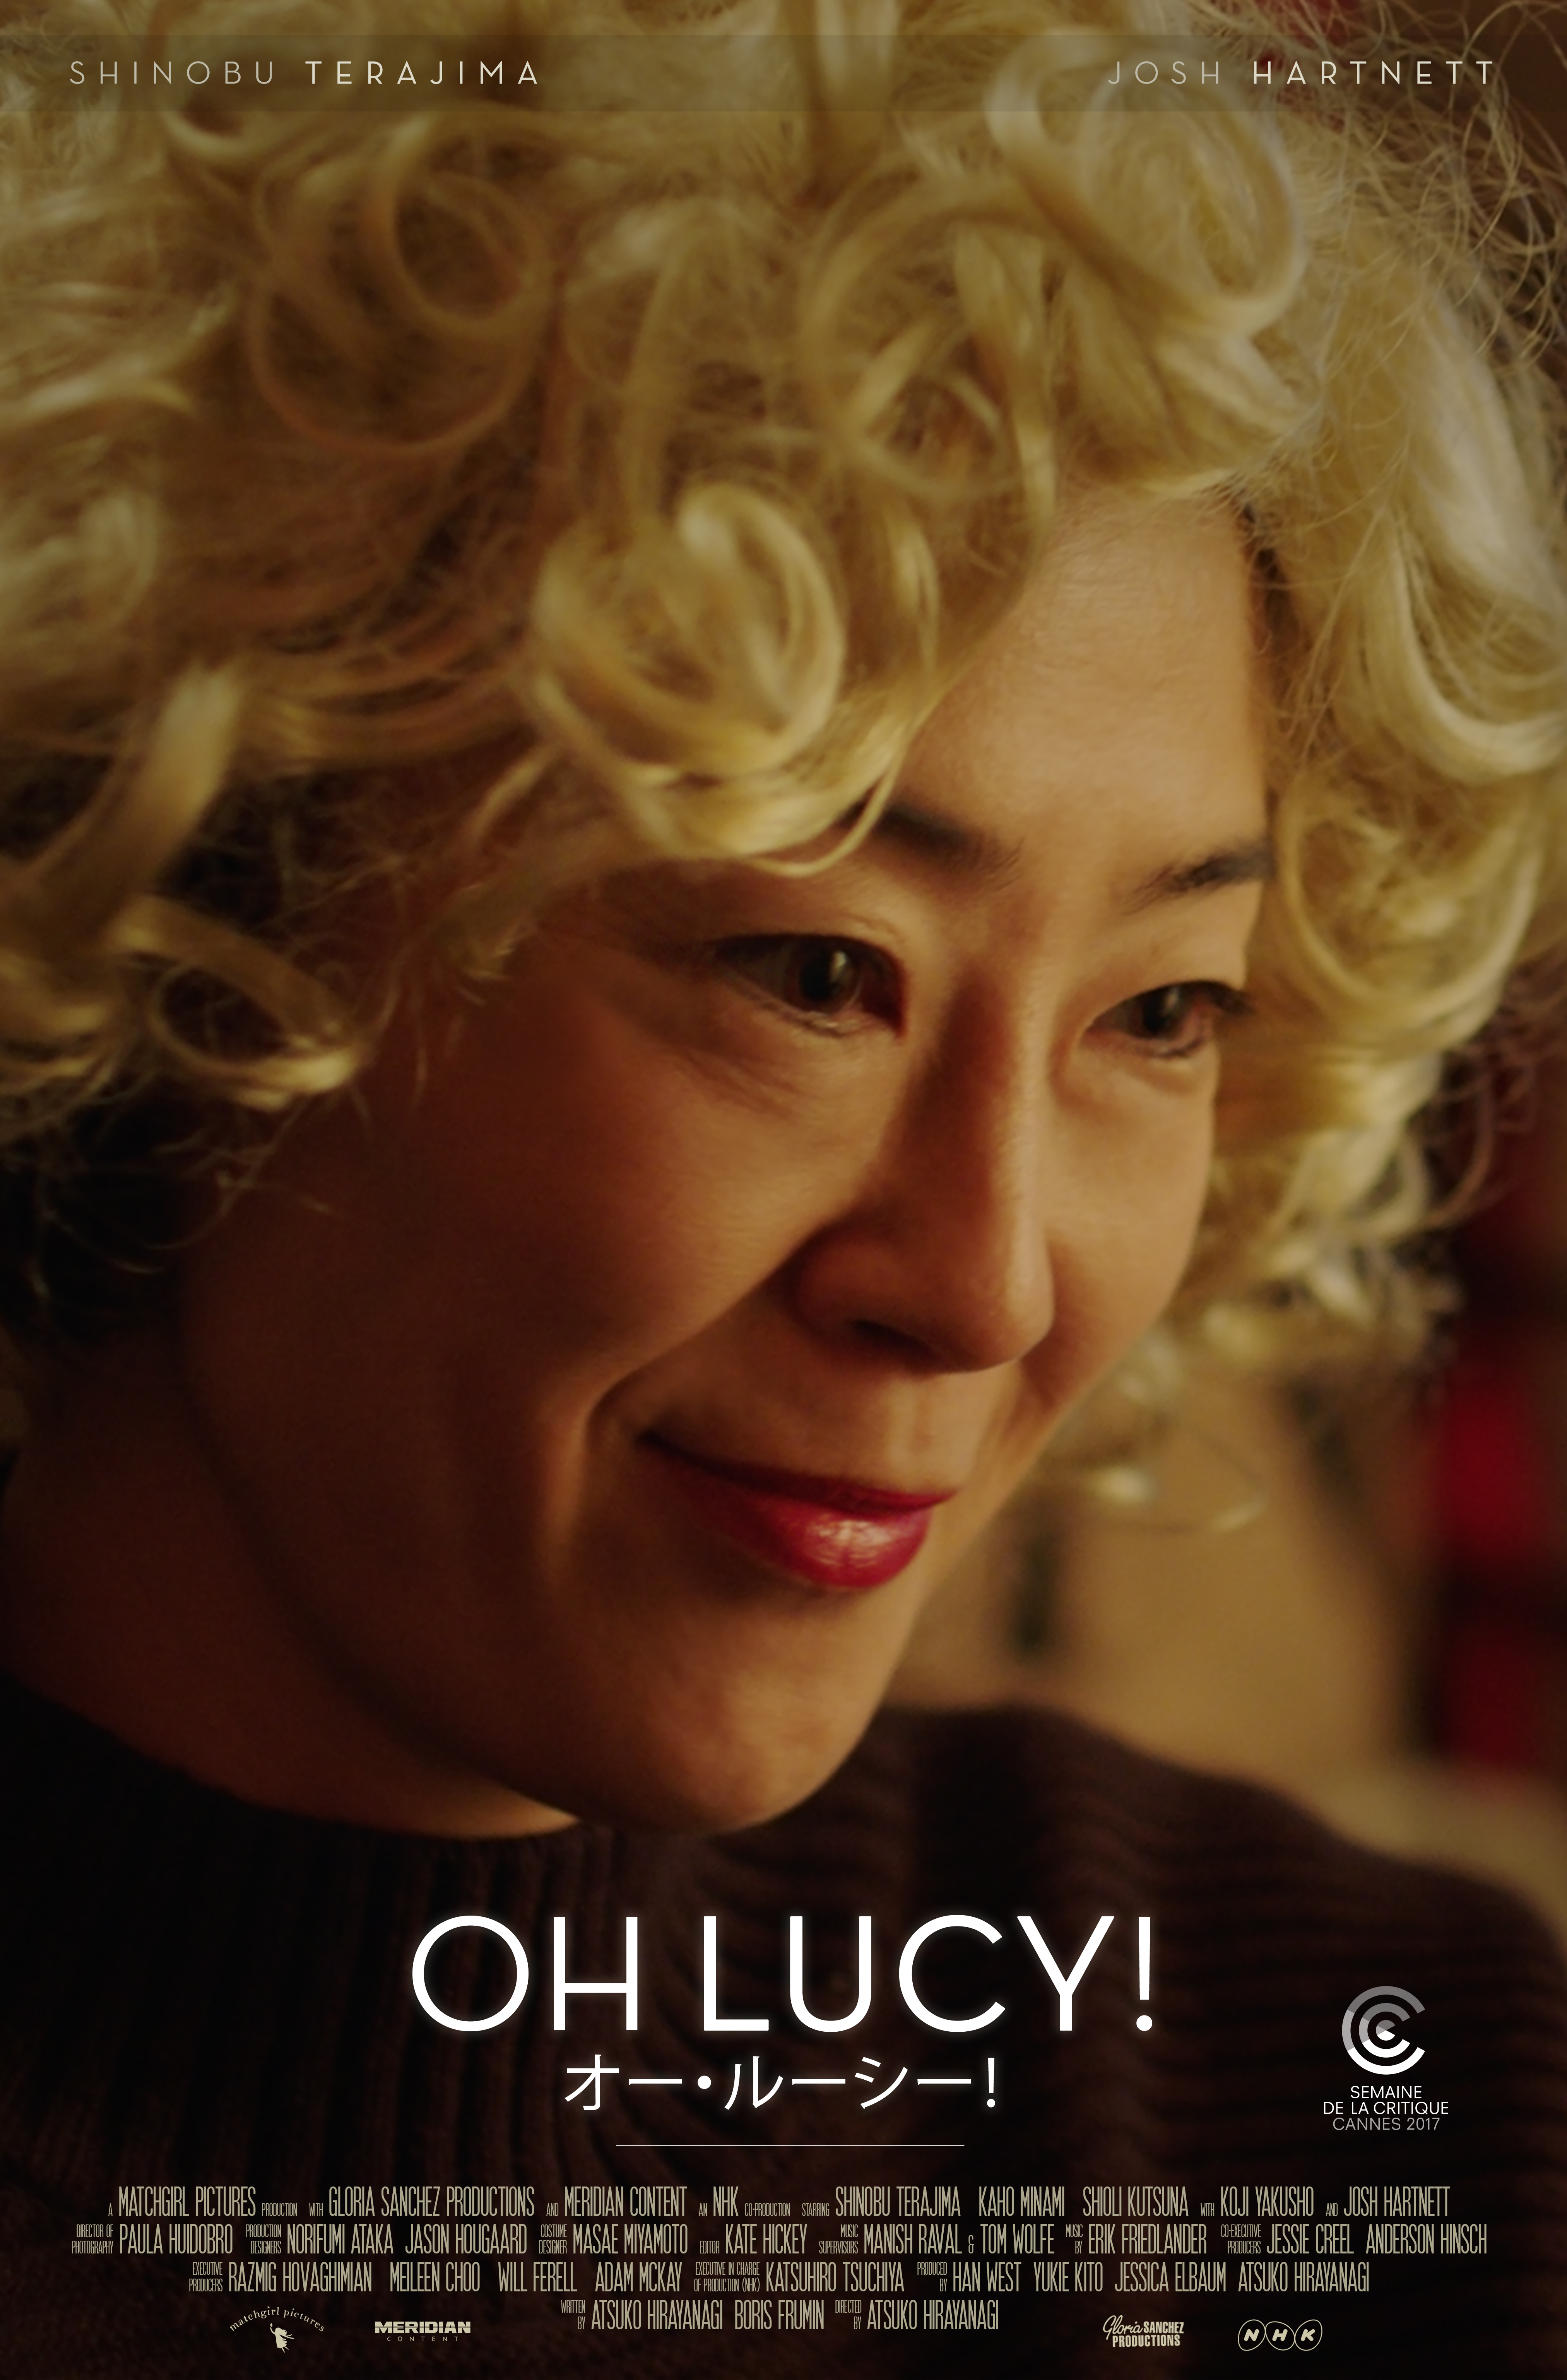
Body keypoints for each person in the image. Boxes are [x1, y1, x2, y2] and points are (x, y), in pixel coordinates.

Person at [0, 0, 1564, 2371]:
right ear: (201, 871)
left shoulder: (1408, 2107)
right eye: (817, 971)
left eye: (1160, 1010)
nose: (986, 1281)